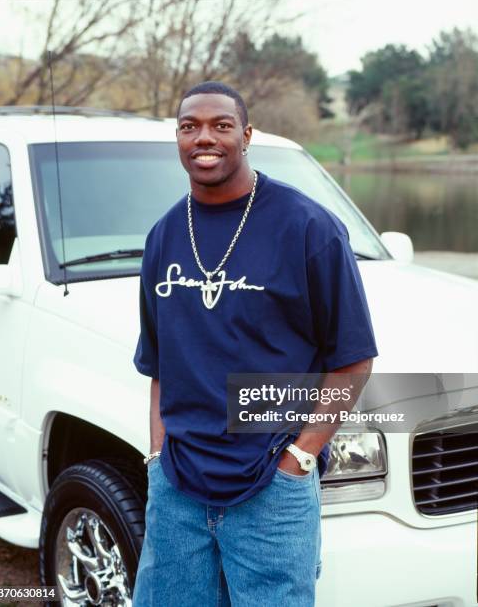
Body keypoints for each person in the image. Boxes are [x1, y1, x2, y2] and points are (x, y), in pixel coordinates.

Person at [132, 81, 378, 606]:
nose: (205, 138)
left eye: (221, 125)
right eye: (189, 126)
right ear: (176, 138)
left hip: (271, 488)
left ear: (246, 136)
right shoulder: (163, 236)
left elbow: (353, 361)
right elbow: (158, 365)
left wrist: (298, 460)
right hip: (177, 490)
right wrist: (157, 457)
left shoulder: (309, 227)